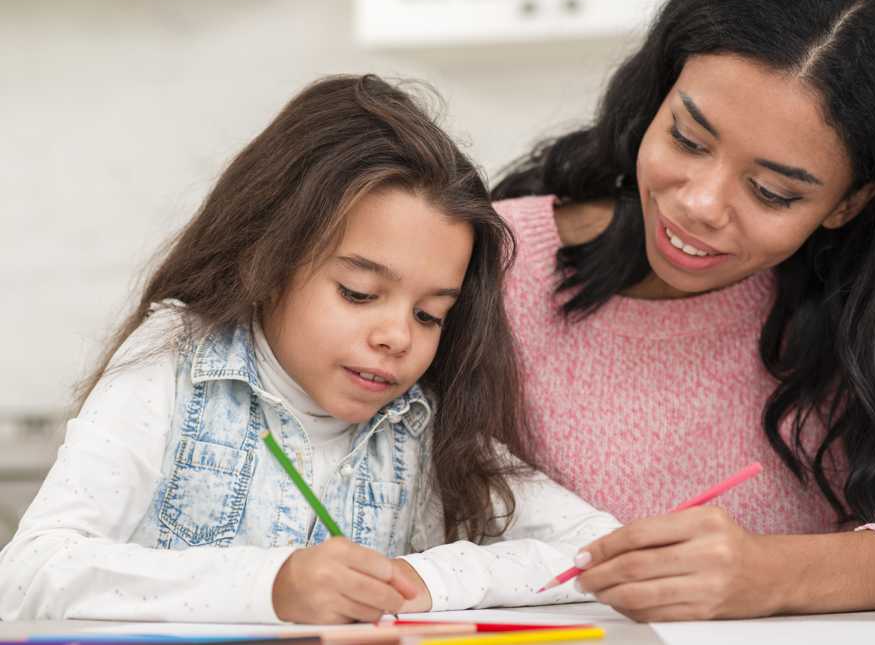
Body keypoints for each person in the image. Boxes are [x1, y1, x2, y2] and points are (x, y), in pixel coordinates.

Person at [492, 0, 875, 621]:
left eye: (771, 190)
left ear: (848, 203)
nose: (700, 202)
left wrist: (774, 574)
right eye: (687, 140)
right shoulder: (495, 261)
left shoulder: (868, 305)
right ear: (659, 91)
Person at [0, 75, 620, 623]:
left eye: (430, 314)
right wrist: (270, 587)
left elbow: (598, 548)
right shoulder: (173, 359)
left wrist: (428, 580)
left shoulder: (421, 420)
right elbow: (28, 573)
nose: (398, 337)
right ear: (267, 260)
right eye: (358, 292)